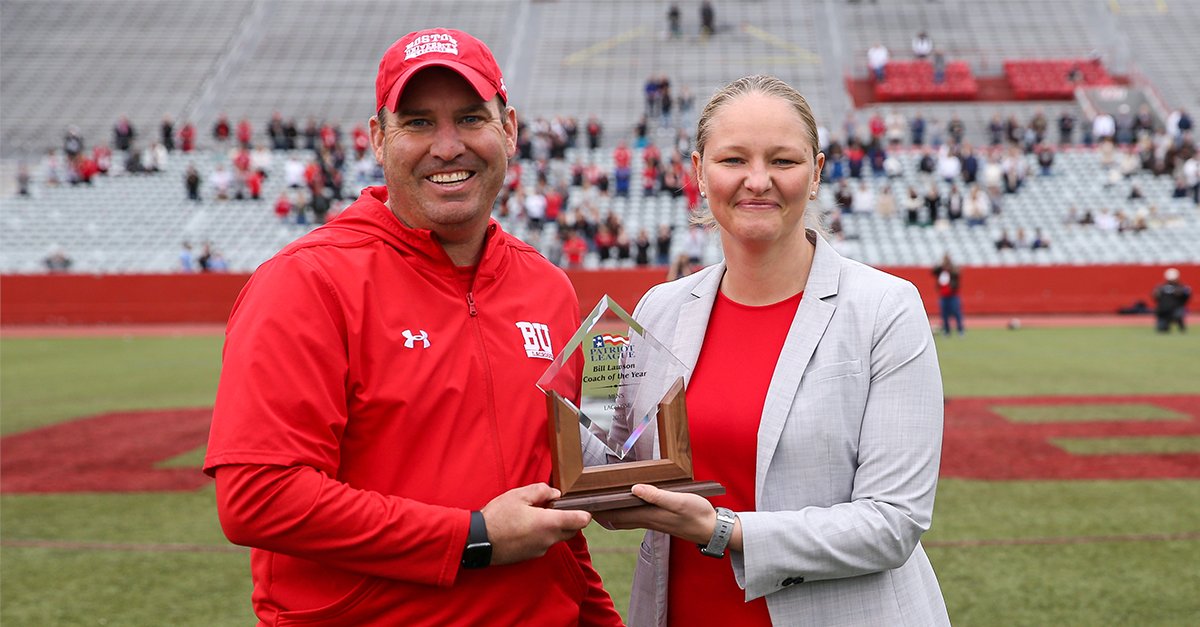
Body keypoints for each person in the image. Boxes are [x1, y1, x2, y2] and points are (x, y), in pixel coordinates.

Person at [204, 28, 621, 625]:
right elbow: (258, 498)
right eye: (419, 122)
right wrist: (472, 537)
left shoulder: (547, 288)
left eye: (471, 118)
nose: (448, 146)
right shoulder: (306, 281)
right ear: (378, 138)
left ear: (509, 129)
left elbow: (547, 512)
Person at [598, 75, 948, 625]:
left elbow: (891, 524)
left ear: (816, 175)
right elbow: (616, 466)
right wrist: (545, 406)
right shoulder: (658, 310)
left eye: (783, 161)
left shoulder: (885, 308)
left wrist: (722, 531)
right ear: (697, 171)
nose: (757, 181)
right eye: (733, 159)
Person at [933, 254, 965, 336]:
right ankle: (947, 330)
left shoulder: (952, 270)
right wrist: (941, 264)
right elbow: (933, 271)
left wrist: (950, 265)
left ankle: (960, 329)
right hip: (943, 296)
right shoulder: (941, 270)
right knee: (944, 314)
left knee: (956, 312)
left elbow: (957, 273)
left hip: (953, 295)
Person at [1152, 268, 1191, 333]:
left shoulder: (1182, 287)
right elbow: (1155, 297)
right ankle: (1165, 324)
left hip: (1176, 310)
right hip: (1164, 311)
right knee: (1162, 329)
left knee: (1178, 314)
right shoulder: (1160, 287)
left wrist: (1182, 295)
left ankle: (1181, 326)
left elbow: (1187, 295)